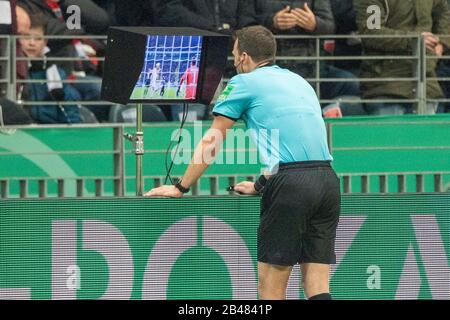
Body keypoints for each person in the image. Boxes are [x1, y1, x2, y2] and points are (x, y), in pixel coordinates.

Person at [145, 26, 341, 300]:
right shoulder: (299, 81)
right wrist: (261, 184)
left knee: (271, 287)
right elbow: (295, 149)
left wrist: (181, 186)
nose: (234, 62)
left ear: (245, 57)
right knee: (317, 285)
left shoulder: (243, 83)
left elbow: (213, 140)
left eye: (235, 55)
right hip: (327, 181)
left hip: (291, 185)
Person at [354, 0, 450, 115]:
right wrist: (413, 40)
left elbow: (444, 11)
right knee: (391, 132)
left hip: (426, 82)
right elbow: (371, 32)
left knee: (427, 131)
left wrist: (441, 44)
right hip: (386, 85)